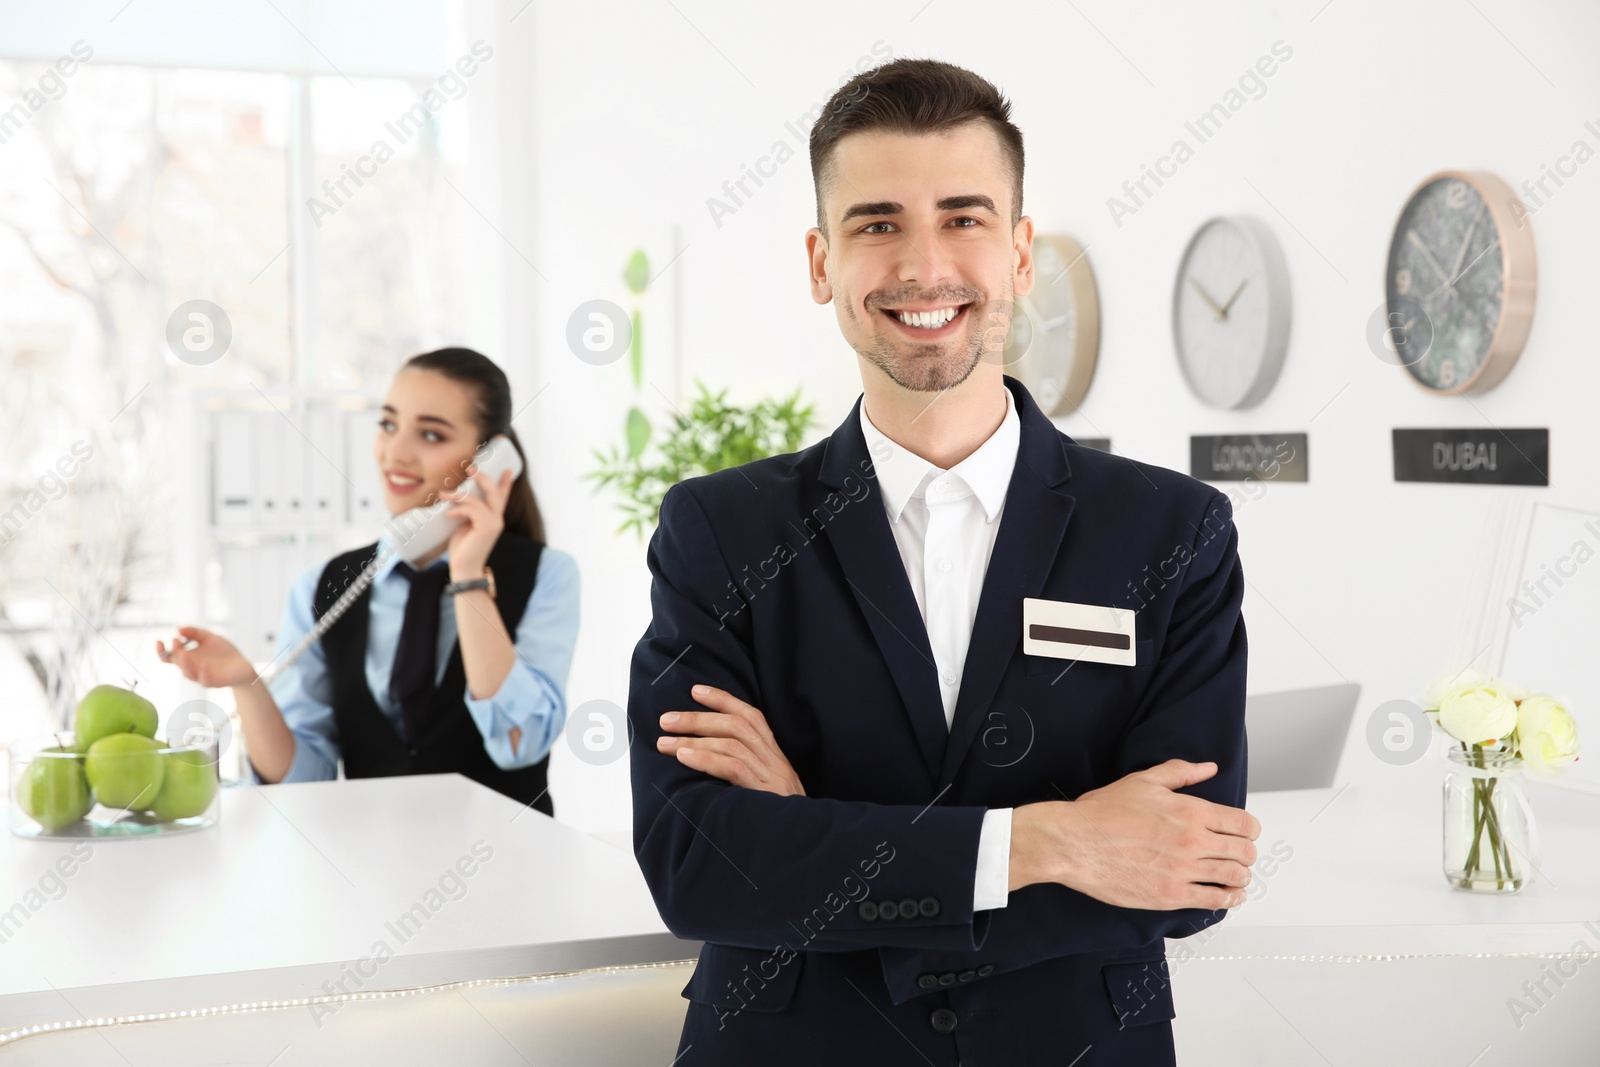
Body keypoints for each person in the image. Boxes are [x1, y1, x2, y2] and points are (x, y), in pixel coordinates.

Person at [628, 59, 1259, 1064]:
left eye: (963, 218)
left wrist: (813, 835)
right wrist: (1052, 840)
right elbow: (697, 862)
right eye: (877, 223)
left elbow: (1189, 871)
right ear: (820, 261)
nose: (924, 266)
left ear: (1019, 254)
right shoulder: (723, 529)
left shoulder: (1170, 529)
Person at [159, 347, 577, 816]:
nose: (396, 452)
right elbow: (302, 779)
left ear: (488, 461)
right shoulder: (323, 586)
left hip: (513, 867)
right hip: (371, 870)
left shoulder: (547, 575)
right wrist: (245, 683)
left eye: (432, 434)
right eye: (388, 424)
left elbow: (519, 744)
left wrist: (467, 575)